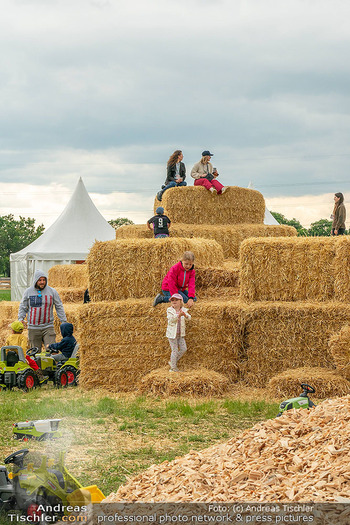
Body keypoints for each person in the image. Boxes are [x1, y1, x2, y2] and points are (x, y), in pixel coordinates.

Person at [18, 269, 67, 350]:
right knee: (35, 353)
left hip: (48, 327)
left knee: (52, 350)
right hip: (33, 328)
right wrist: (20, 318)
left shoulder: (52, 291)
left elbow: (59, 306)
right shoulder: (28, 292)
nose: (42, 282)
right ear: (35, 280)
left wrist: (63, 321)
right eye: (40, 280)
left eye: (44, 280)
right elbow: (23, 306)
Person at [166, 293, 191, 372]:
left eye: (176, 300)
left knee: (184, 349)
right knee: (175, 350)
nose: (174, 301)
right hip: (172, 334)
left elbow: (189, 318)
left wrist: (185, 315)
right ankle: (173, 368)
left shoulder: (183, 310)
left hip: (180, 334)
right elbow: (171, 320)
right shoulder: (170, 310)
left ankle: (172, 361)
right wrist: (178, 316)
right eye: (172, 300)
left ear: (181, 302)